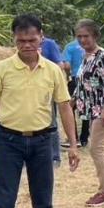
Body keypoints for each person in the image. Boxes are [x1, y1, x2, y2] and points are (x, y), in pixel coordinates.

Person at [0, 14, 81, 208]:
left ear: (41, 38)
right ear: (14, 40)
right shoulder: (2, 69)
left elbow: (65, 108)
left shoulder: (54, 70)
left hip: (43, 141)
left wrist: (73, 145)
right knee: (4, 199)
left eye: (32, 40)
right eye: (21, 41)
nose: (26, 45)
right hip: (9, 141)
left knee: (43, 199)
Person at [73, 18, 104, 208]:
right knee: (101, 148)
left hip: (102, 108)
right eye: (79, 37)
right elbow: (83, 82)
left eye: (86, 36)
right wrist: (73, 100)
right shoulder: (86, 56)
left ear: (95, 36)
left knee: (96, 148)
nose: (83, 40)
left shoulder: (103, 56)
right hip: (91, 107)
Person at [62, 32, 90, 148]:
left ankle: (74, 138)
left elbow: (67, 65)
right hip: (89, 79)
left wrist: (68, 75)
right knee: (86, 108)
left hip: (75, 79)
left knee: (70, 107)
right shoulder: (90, 45)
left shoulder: (70, 47)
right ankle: (84, 138)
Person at [41, 34, 65, 164]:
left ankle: (55, 156)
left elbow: (60, 65)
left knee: (51, 122)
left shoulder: (49, 44)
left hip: (47, 89)